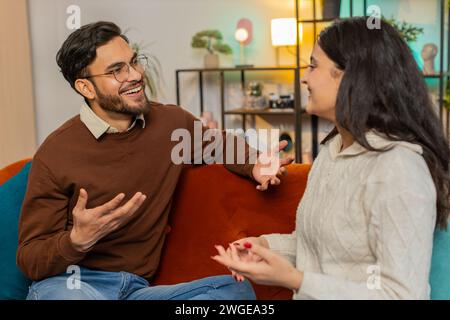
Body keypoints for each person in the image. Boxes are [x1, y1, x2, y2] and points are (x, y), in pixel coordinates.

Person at [17, 21, 293, 300]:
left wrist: (255, 162)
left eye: (134, 62)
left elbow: (219, 145)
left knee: (234, 292)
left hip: (136, 289)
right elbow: (30, 258)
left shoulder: (170, 125)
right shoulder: (56, 152)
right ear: (86, 88)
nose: (135, 75)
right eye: (116, 70)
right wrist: (76, 241)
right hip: (72, 285)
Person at [212, 17, 450, 300]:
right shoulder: (332, 150)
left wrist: (297, 280)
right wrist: (262, 247)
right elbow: (316, 248)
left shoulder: (399, 167)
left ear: (350, 77)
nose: (304, 77)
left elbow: (401, 295)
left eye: (313, 65)